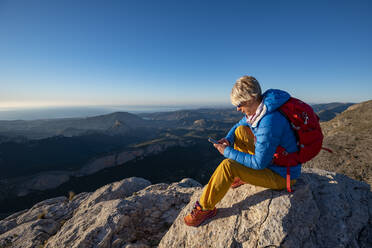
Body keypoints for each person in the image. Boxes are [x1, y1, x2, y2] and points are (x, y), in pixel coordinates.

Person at [184, 75, 301, 227]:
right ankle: (243, 175)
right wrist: (228, 139)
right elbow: (239, 124)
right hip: (276, 161)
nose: (238, 108)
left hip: (283, 176)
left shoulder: (269, 122)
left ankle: (204, 209)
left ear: (252, 98)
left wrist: (227, 151)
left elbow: (259, 163)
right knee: (240, 131)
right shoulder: (262, 107)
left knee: (228, 166)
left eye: (240, 104)